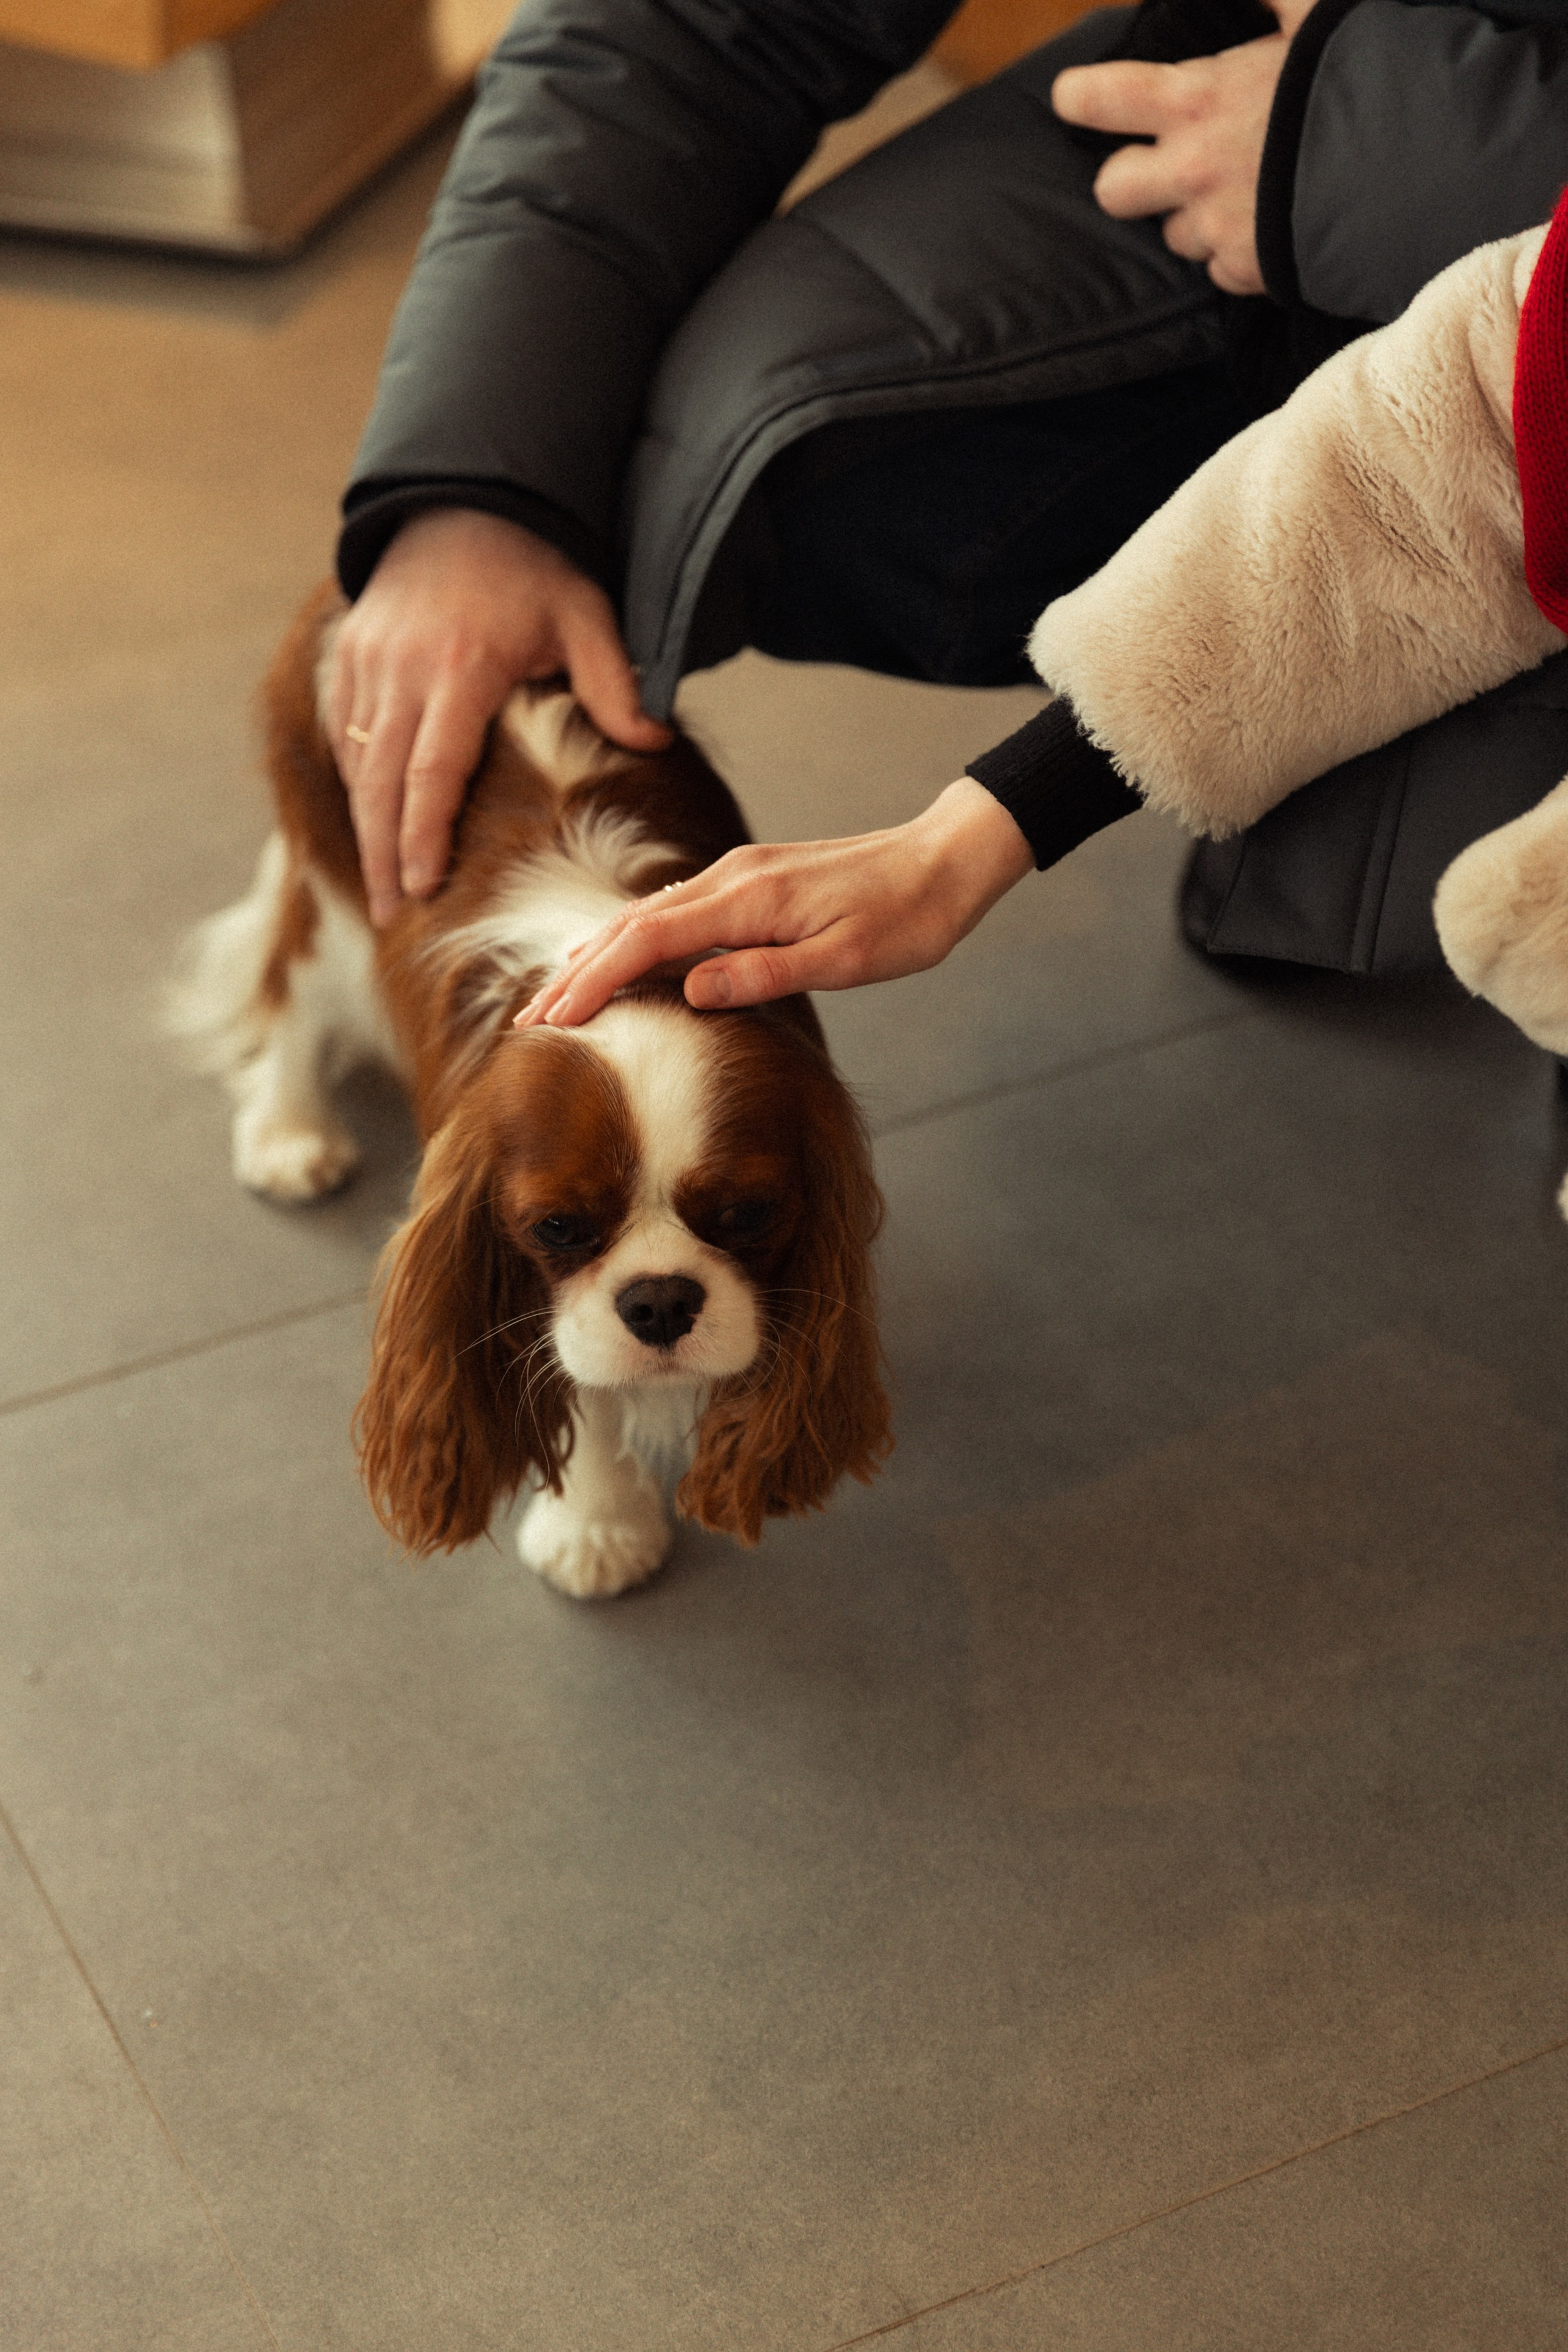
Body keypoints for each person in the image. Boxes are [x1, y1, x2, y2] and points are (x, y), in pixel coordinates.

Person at [327, 0, 1568, 1017]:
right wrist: (479, 488)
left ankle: (1398, 817)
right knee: (729, 446)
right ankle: (1328, 794)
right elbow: (1436, 456)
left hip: (1456, 157)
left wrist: (1353, 154)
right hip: (1291, 113)